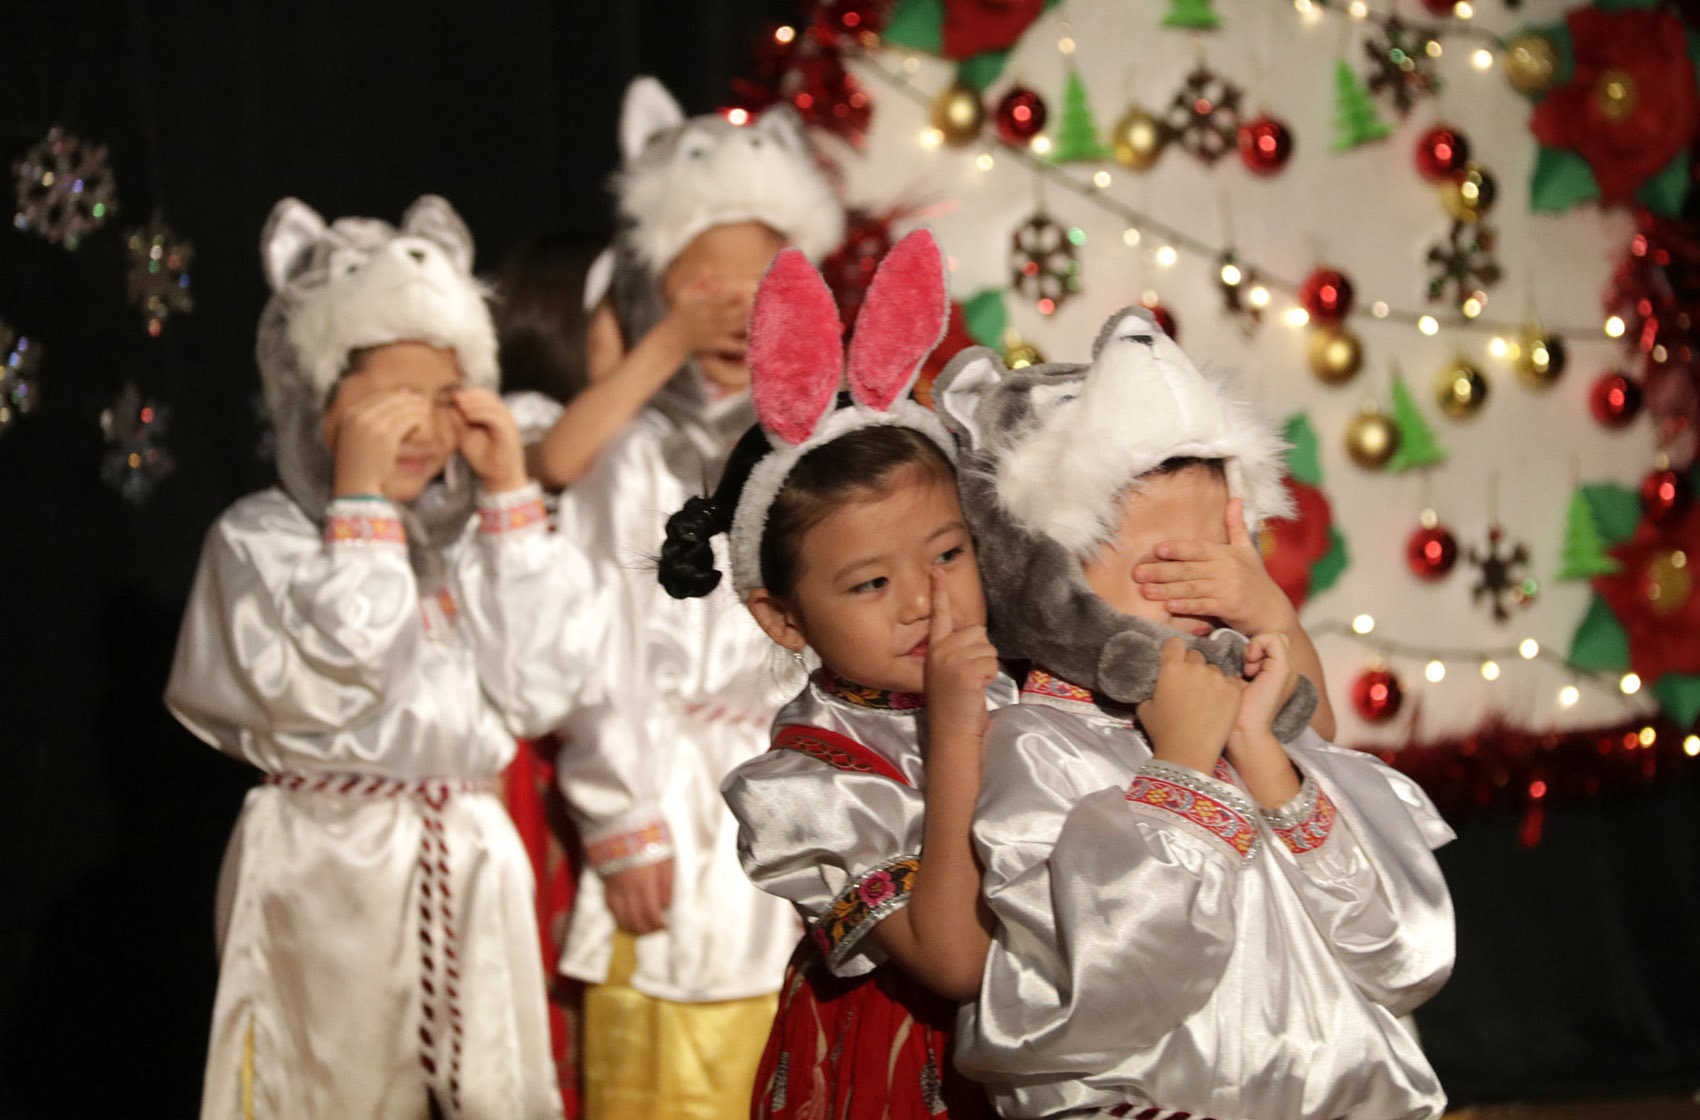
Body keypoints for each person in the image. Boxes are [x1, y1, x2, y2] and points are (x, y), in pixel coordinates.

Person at [931, 308, 1457, 1120]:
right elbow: (1081, 997)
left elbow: (1404, 956)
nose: (1199, 592)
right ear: (1046, 570)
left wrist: (1267, 734)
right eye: (1160, 565)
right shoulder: (1035, 745)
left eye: (1220, 555)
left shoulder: (1249, 701)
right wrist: (1180, 770)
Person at [166, 196, 600, 1120]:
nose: (419, 426)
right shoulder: (265, 542)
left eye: (443, 397)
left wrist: (511, 500)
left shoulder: (467, 543)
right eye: (384, 398)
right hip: (331, 871)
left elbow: (544, 687)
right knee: (332, 1088)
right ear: (312, 397)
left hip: (470, 862)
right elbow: (327, 681)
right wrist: (358, 512)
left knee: (490, 1090)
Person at [508, 76, 846, 1120]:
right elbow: (591, 647)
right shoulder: (630, 456)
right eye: (701, 282)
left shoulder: (818, 453)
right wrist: (622, 821)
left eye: (759, 287)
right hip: (671, 820)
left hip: (804, 818)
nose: (731, 310)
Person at [687, 231, 999, 1118]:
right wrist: (956, 731)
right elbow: (951, 960)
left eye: (948, 553)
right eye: (870, 583)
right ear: (782, 615)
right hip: (908, 1074)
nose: (922, 599)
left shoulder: (1027, 670)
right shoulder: (805, 786)